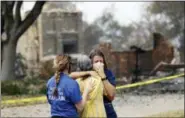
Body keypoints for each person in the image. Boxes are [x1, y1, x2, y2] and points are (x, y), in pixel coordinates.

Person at [70, 49, 117, 118]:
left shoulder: (108, 73)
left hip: (106, 109)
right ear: (91, 63)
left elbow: (111, 96)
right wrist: (88, 72)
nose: (99, 64)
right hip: (88, 110)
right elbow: (70, 76)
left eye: (101, 61)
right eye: (96, 61)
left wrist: (103, 76)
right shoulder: (85, 73)